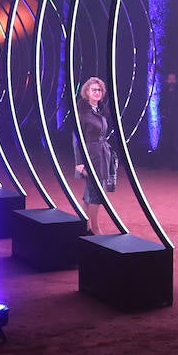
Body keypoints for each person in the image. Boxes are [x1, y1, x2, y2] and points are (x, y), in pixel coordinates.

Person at [73, 77, 116, 236]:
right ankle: (95, 227)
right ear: (87, 92)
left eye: (99, 90)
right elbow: (77, 138)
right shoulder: (83, 112)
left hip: (102, 155)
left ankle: (84, 225)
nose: (97, 92)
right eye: (94, 90)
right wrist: (79, 162)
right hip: (90, 155)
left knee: (90, 191)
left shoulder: (101, 110)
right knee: (96, 191)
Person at [158, 71, 178, 170]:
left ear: (176, 80)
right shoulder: (164, 92)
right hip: (166, 119)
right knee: (163, 140)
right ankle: (158, 162)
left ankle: (176, 164)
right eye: (169, 79)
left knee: (177, 142)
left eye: (173, 79)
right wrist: (163, 114)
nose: (171, 81)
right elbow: (160, 105)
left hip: (177, 120)